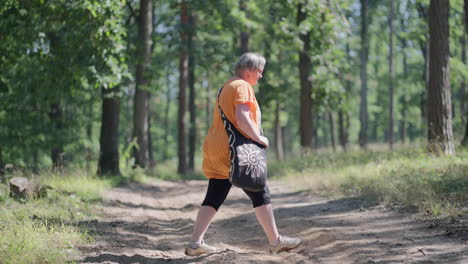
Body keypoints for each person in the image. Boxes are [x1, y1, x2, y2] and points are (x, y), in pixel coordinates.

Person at [185, 52, 302, 256]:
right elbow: (242, 117)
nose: (261, 76)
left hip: (217, 147)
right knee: (259, 188)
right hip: (233, 150)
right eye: (259, 71)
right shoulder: (242, 86)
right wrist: (259, 138)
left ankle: (195, 243)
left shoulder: (227, 86)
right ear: (248, 70)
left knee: (215, 193)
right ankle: (275, 241)